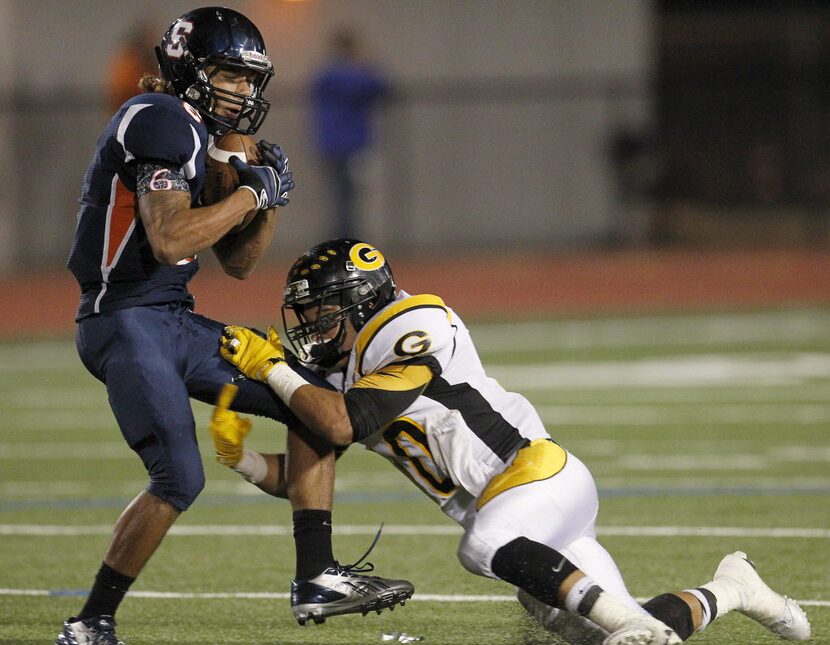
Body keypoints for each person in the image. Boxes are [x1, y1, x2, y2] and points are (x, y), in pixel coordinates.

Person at [214, 238, 812, 645]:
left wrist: (273, 370)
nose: (311, 326)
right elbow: (303, 482)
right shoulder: (343, 375)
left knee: (482, 546)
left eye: (321, 310)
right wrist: (238, 457)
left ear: (360, 299)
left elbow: (347, 420)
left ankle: (630, 615)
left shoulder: (410, 321)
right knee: (618, 635)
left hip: (535, 476)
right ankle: (734, 587)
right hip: (522, 515)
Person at [58, 10, 411, 645]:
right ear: (191, 71)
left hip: (172, 319)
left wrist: (265, 195)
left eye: (250, 80)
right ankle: (91, 621)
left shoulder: (202, 134)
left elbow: (241, 265)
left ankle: (316, 577)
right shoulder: (159, 116)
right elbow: (169, 240)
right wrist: (249, 194)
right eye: (230, 75)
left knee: (310, 401)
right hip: (124, 320)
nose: (245, 92)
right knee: (179, 478)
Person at [310, 28, 390, 238]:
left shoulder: (325, 74)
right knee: (347, 197)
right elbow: (382, 87)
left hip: (331, 145)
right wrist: (366, 63)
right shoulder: (352, 75)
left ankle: (343, 238)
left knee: (342, 197)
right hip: (351, 145)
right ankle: (346, 240)